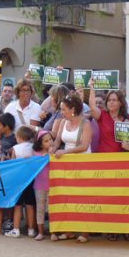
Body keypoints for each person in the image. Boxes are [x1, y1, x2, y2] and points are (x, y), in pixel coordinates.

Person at [52, 94, 92, 243]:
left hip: (83, 163)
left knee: (83, 198)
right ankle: (69, 230)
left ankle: (85, 231)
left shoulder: (86, 124)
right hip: (66, 164)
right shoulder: (63, 122)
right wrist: (53, 148)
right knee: (67, 196)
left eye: (64, 109)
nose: (62, 112)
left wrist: (65, 152)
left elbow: (84, 146)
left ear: (73, 109)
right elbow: (57, 141)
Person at [5, 126, 36, 238]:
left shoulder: (15, 148)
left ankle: (16, 229)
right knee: (30, 205)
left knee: (18, 206)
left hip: (18, 180)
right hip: (31, 179)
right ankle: (31, 229)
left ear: (18, 137)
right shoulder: (34, 148)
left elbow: (13, 164)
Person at [87, 85, 129, 153]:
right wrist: (92, 89)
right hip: (104, 157)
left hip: (120, 157)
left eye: (114, 100)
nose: (111, 102)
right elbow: (92, 107)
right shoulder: (102, 115)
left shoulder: (127, 118)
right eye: (109, 100)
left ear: (120, 103)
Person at [32, 130, 53, 241]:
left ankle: (53, 231)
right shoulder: (35, 154)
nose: (49, 142)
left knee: (52, 209)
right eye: (46, 141)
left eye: (50, 139)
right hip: (39, 185)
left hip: (53, 185)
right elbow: (30, 163)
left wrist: (51, 154)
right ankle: (41, 232)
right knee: (40, 209)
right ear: (40, 144)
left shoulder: (55, 152)